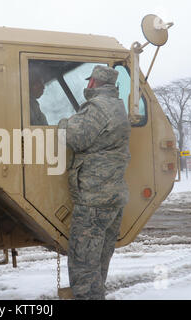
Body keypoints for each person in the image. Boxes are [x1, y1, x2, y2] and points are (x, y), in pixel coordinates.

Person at [58, 65, 131, 300]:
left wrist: (62, 124)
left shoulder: (98, 107)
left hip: (94, 199)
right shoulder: (117, 106)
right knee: (98, 262)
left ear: (94, 83)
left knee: (83, 266)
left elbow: (75, 138)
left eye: (90, 81)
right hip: (111, 197)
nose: (87, 85)